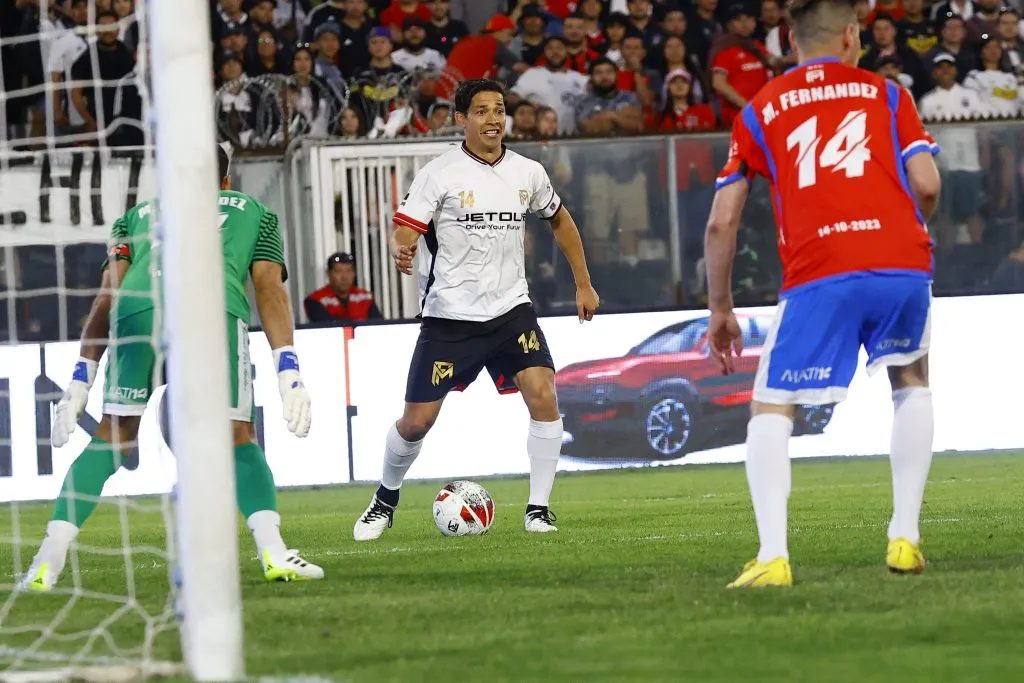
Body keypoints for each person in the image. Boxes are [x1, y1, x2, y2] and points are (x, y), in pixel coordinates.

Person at [705, 0, 942, 588]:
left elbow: (720, 224)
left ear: (789, 40)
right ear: (850, 36)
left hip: (820, 270)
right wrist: (905, 232)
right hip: (900, 263)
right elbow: (929, 183)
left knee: (772, 408)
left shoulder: (759, 109)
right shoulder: (888, 94)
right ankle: (905, 536)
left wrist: (720, 308)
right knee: (910, 383)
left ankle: (773, 556)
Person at [21, 145, 323, 591]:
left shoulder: (138, 215)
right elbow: (269, 290)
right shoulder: (256, 212)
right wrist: (289, 370)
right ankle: (275, 554)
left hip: (137, 311)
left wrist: (82, 377)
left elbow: (108, 296)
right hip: (209, 307)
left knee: (113, 437)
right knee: (238, 436)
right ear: (227, 180)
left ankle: (48, 559)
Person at [352, 78, 600, 541]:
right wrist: (402, 249)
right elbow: (406, 228)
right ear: (461, 118)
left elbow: (560, 220)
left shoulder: (528, 172)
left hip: (512, 311)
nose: (493, 119)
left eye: (499, 110)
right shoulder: (438, 174)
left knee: (543, 394)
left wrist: (583, 282)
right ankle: (385, 500)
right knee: (417, 421)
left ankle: (539, 510)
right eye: (482, 111)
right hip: (451, 317)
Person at [304, 251, 382, 322]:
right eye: (338, 271)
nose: (344, 277)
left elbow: (377, 325)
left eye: (348, 271)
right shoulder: (315, 299)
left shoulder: (365, 297)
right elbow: (328, 327)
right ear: (328, 273)